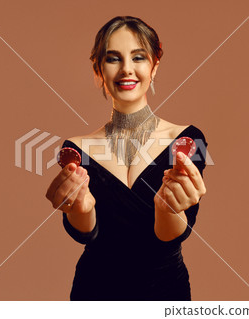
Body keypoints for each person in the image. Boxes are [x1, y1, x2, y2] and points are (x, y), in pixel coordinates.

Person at [45, 16, 208, 301]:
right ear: (98, 71)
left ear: (154, 66)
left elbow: (170, 236)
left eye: (138, 57)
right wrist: (79, 209)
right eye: (113, 59)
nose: (127, 69)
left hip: (164, 292)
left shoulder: (189, 140)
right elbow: (87, 235)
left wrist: (168, 209)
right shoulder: (75, 148)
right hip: (93, 293)